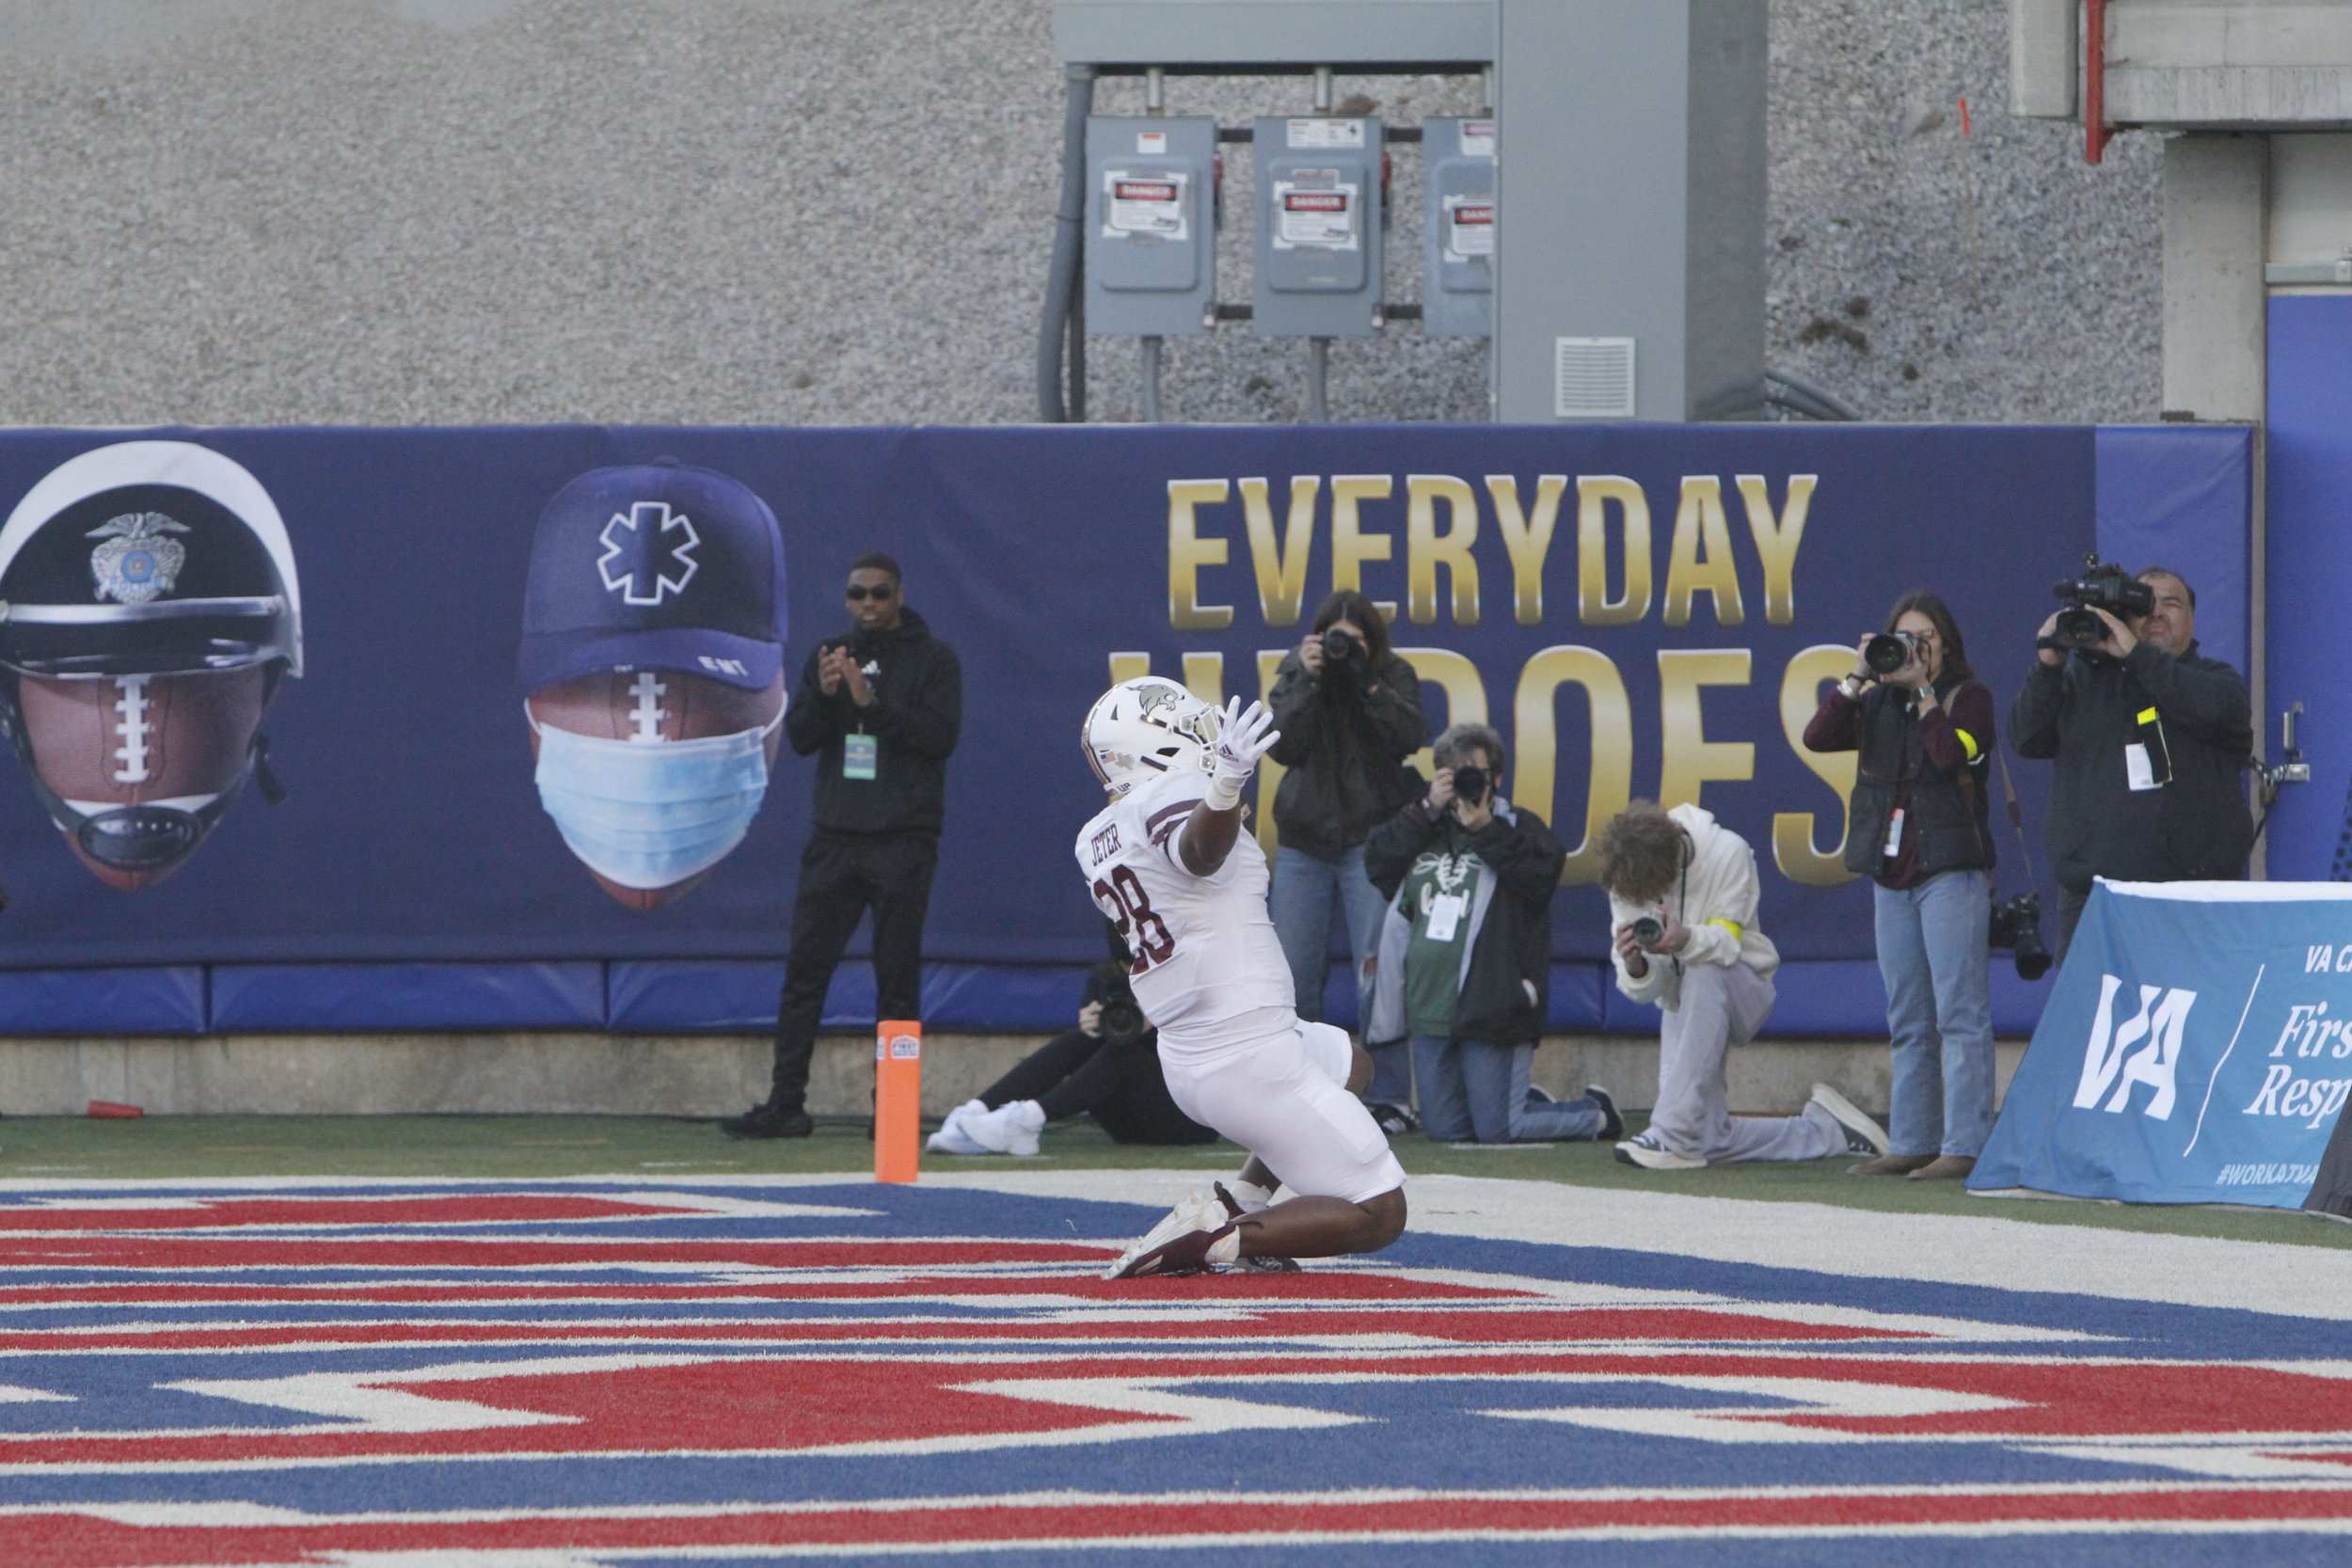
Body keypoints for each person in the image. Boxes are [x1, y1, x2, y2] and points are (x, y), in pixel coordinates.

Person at [1075, 675, 1407, 1277]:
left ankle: (1243, 1201)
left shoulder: (1096, 836)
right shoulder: (1173, 793)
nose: (1205, 733)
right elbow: (1198, 856)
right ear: (1155, 744)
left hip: (1192, 1054)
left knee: (1348, 1063)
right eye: (1187, 725)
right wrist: (1225, 782)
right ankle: (1217, 1240)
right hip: (1246, 1054)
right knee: (1381, 1215)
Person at [721, 553, 961, 1139]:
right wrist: (830, 694)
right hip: (835, 838)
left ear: (900, 595)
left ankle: (896, 1113)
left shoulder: (935, 659)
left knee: (897, 978)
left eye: (879, 594)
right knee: (806, 972)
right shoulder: (831, 654)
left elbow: (937, 738)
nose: (869, 606)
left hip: (901, 841)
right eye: (858, 595)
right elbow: (799, 738)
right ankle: (786, 1103)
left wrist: (869, 704)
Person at [1804, 592, 1998, 1181]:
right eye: (1904, 638)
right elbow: (1817, 736)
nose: (1915, 648)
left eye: (1926, 639)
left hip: (1950, 874)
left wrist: (1922, 691)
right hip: (1891, 876)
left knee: (1959, 1014)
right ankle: (1912, 1141)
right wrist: (1860, 674)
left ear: (1946, 645)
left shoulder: (1970, 698)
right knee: (1907, 1015)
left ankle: (1964, 1143)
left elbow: (1948, 756)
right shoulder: (1877, 701)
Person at [1364, 722, 1621, 1146]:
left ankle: (1594, 1115)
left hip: (1494, 1005)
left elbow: (1541, 875)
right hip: (1430, 1005)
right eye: (1452, 773)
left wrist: (1487, 829)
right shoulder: (1424, 828)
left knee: (1499, 1131)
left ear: (1497, 779)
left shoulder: (1518, 825)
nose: (1464, 782)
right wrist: (1426, 807)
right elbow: (1377, 863)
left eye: (1474, 773)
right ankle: (1512, 1098)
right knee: (1445, 1131)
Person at [1597, 799, 1890, 1171]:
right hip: (1681, 1006)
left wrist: (1684, 938)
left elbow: (1727, 943)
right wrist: (1635, 964)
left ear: (1673, 863)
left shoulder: (1728, 852)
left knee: (1703, 970)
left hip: (1744, 988)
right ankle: (1826, 1131)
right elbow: (1645, 992)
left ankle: (1670, 1134)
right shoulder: (1625, 880)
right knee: (1707, 1139)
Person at [2010, 564, 2253, 961]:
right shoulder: (2081, 681)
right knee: (2087, 1020)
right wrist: (2049, 666)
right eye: (2143, 604)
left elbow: (2210, 710)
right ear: (2124, 618)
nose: (2156, 612)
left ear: (2191, 618)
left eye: (2171, 603)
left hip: (2189, 896)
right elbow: (2025, 738)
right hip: (2093, 897)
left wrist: (2137, 656)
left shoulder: (2216, 681)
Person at [1264, 591, 1426, 1130]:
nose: (1341, 649)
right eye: (1334, 639)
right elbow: (1283, 746)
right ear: (1316, 639)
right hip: (1303, 845)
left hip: (1370, 842)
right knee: (1294, 978)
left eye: (1353, 640)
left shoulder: (1391, 674)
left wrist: (1365, 680)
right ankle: (1295, 1098)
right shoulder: (1300, 670)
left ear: (1371, 641)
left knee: (1376, 977)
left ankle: (1389, 1101)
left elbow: (1409, 737)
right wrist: (1306, 679)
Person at [930, 927, 1218, 1156]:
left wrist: (1158, 1019)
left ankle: (1026, 1121)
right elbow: (1097, 1041)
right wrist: (1094, 1024)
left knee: (1125, 1055)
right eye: (1125, 966)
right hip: (1125, 1120)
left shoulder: (1188, 977)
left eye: (1139, 966)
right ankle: (975, 1112)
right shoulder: (1107, 977)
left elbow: (1202, 1052)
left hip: (1187, 1117)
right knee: (1082, 1039)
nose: (1133, 975)